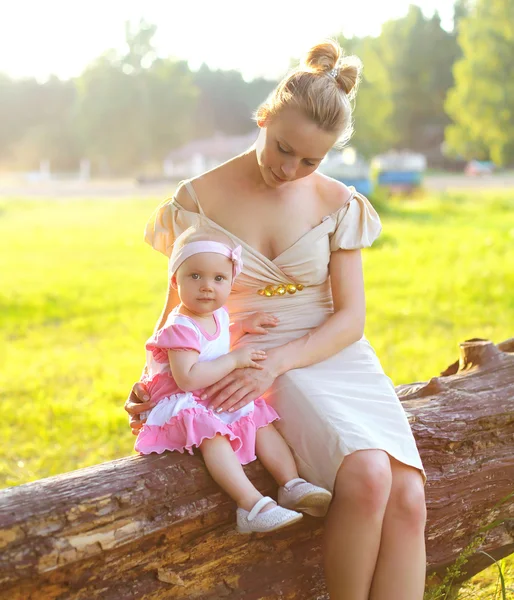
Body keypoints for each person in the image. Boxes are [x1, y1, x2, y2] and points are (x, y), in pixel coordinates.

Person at [126, 39, 427, 599]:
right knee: (368, 476)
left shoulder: (340, 204)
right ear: (264, 117)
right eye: (283, 148)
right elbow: (179, 302)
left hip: (330, 351)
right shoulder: (197, 200)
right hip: (248, 354)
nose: (290, 170)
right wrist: (151, 377)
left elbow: (352, 319)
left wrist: (281, 362)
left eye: (310, 160)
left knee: (409, 498)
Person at [134, 225, 333, 533]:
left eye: (218, 279)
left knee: (257, 415)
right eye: (195, 276)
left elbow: (215, 340)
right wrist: (234, 359)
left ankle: (291, 484)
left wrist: (243, 327)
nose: (207, 287)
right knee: (211, 433)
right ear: (176, 281)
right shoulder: (179, 327)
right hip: (179, 401)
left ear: (230, 282)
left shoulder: (218, 314)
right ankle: (251, 505)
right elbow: (187, 378)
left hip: (206, 392)